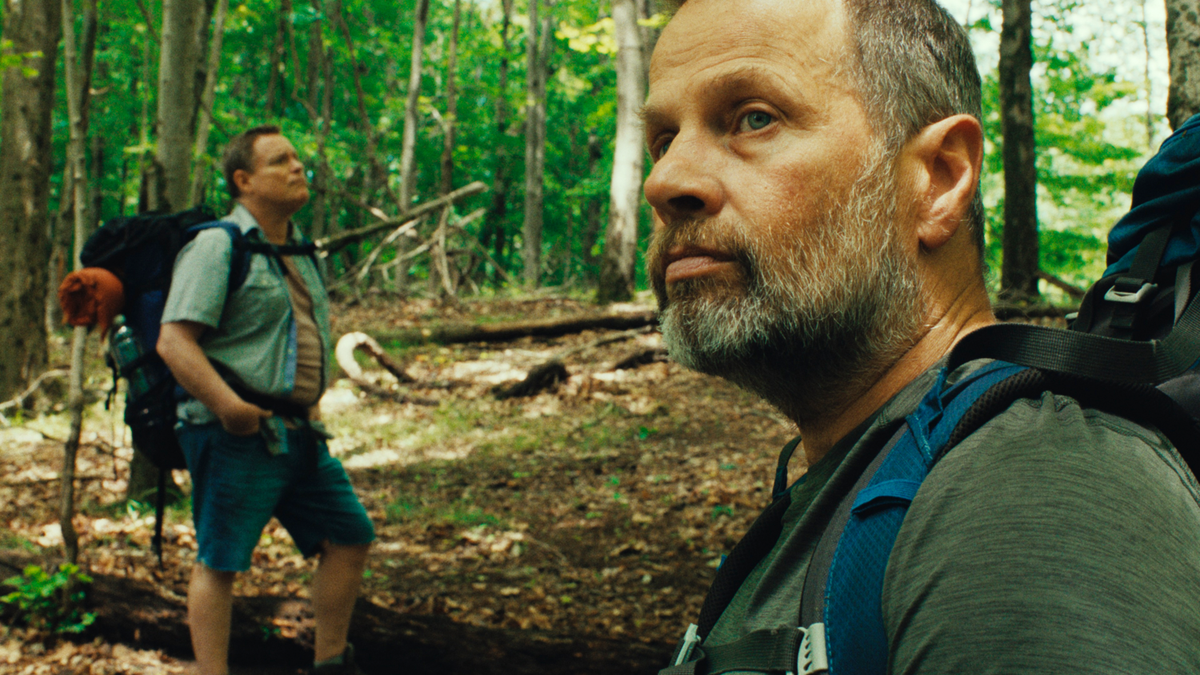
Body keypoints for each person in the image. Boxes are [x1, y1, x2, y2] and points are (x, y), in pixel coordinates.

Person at [642, 0, 1200, 670]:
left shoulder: (1030, 490)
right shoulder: (869, 477)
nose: (664, 181)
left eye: (753, 118)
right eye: (663, 139)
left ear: (938, 178)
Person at [157, 125, 375, 675]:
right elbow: (174, 341)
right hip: (233, 431)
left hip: (300, 432)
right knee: (221, 561)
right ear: (244, 180)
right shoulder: (217, 246)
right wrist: (231, 409)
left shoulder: (301, 250)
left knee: (349, 536)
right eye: (280, 161)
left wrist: (311, 407)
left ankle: (331, 663)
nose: (298, 167)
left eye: (297, 158)